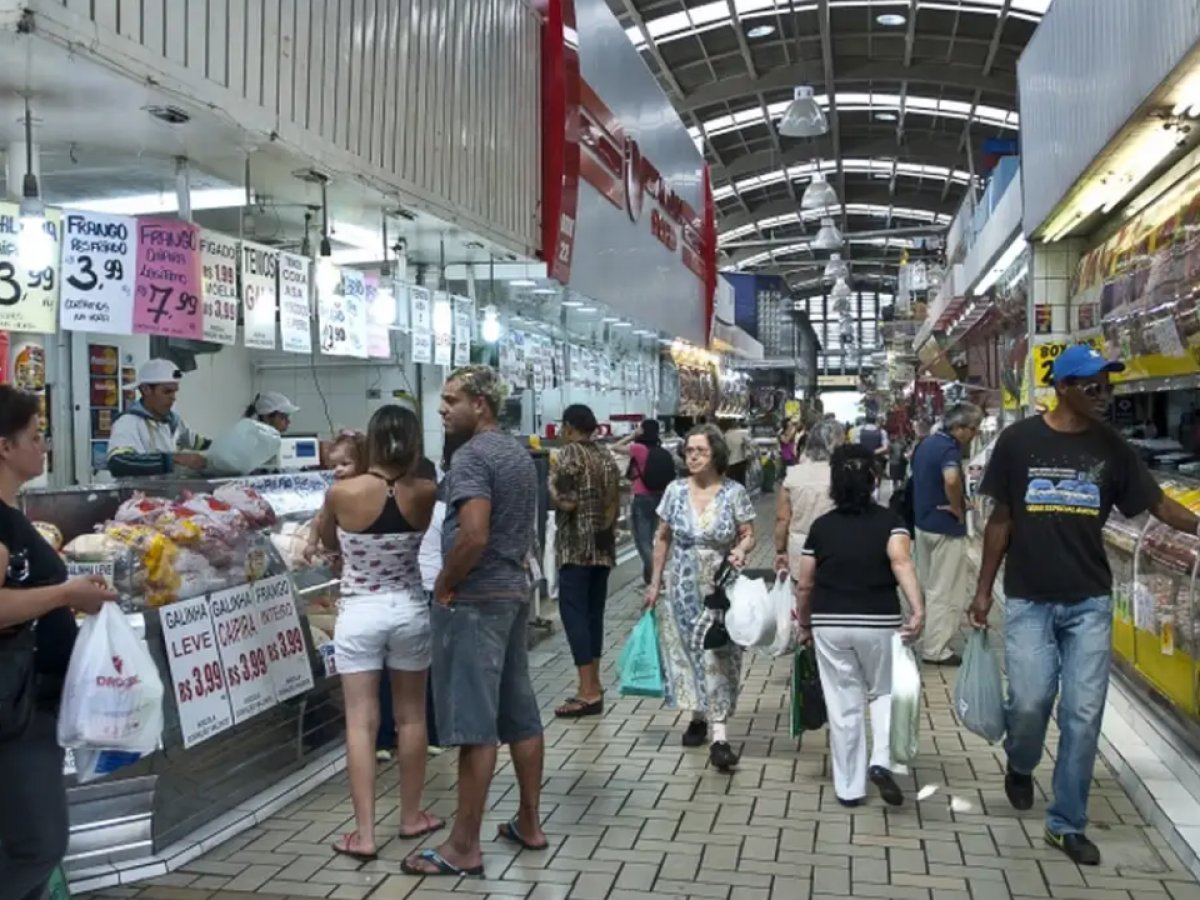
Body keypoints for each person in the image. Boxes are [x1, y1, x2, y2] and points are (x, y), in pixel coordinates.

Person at [972, 345, 1200, 866]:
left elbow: (1159, 504)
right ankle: (1020, 761)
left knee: (1082, 713)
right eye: (1093, 386)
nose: (1104, 395)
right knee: (1029, 703)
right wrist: (984, 591)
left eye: (1109, 386)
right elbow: (1001, 521)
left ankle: (1066, 823)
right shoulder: (1018, 442)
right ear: (1063, 388)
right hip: (1029, 598)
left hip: (1089, 601)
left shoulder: (1111, 447)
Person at [403, 365, 546, 879]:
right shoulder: (515, 454)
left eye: (450, 400)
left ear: (480, 403)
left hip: (475, 601)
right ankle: (529, 822)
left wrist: (444, 583)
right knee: (520, 714)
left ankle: (464, 845)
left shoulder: (471, 457)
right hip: (511, 593)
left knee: (475, 727)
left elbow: (474, 534)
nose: (442, 409)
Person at [0, 387, 117, 899]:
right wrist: (65, 593)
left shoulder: (12, 514)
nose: (44, 446)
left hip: (28, 702)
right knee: (39, 844)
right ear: (5, 446)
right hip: (14, 706)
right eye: (35, 435)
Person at [320, 406, 442, 861]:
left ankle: (365, 834)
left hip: (359, 612)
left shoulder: (341, 492)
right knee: (412, 718)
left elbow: (329, 545)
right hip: (410, 607)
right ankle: (411, 817)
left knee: (361, 722)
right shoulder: (426, 492)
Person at [794, 444, 924, 808]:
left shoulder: (821, 528)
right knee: (883, 692)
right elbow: (901, 562)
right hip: (880, 619)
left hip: (830, 622)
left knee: (844, 702)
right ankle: (881, 760)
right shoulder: (891, 522)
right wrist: (917, 609)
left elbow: (805, 583)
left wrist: (804, 624)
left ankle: (850, 788)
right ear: (874, 478)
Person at [646, 424, 756, 771]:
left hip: (720, 587)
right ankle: (697, 714)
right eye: (689, 451)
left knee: (718, 653)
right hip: (681, 585)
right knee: (688, 651)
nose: (692, 456)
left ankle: (719, 736)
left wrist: (740, 549)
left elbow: (749, 533)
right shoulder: (675, 491)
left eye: (700, 451)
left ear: (716, 455)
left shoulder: (733, 493)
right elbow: (661, 537)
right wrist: (655, 582)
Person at [549, 405, 621, 719]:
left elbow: (567, 501)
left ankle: (587, 692)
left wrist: (549, 486)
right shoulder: (605, 455)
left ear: (568, 426)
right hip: (603, 546)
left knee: (574, 615)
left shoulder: (569, 455)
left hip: (577, 548)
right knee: (594, 615)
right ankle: (596, 683)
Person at [911, 402, 983, 666]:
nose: (974, 435)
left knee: (929, 584)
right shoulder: (948, 449)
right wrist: (957, 507)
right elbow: (951, 478)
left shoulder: (926, 444)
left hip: (923, 523)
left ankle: (926, 635)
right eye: (972, 429)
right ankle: (936, 649)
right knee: (945, 589)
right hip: (945, 528)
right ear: (959, 428)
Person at [106, 359, 210, 476]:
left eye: (174, 392)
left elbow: (196, 442)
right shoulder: (128, 422)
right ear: (146, 390)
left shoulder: (173, 422)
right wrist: (172, 459)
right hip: (139, 493)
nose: (173, 398)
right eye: (167, 392)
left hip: (167, 492)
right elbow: (118, 462)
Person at [774, 419, 843, 576]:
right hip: (835, 548)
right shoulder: (841, 475)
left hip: (800, 549)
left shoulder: (793, 475)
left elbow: (782, 519)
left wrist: (780, 550)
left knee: (801, 594)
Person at [613, 419, 675, 585]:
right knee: (652, 539)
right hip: (659, 498)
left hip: (642, 498)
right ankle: (649, 579)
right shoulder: (661, 450)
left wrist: (632, 435)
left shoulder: (639, 449)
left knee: (642, 541)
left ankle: (657, 578)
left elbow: (615, 447)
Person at [721, 419, 753, 486]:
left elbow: (724, 450)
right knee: (741, 481)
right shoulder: (743, 433)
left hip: (730, 463)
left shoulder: (725, 436)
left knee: (729, 482)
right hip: (741, 461)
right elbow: (749, 446)